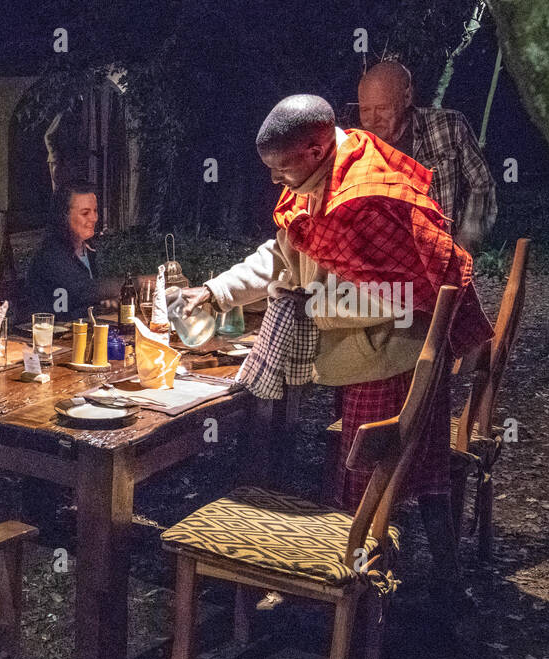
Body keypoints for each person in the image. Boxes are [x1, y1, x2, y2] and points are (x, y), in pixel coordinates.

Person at [179, 94, 492, 616]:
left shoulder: (365, 195)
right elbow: (285, 252)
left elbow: (402, 294)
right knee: (414, 476)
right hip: (369, 353)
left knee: (372, 487)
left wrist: (310, 304)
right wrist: (215, 291)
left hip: (394, 357)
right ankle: (437, 593)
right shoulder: (319, 176)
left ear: (315, 146)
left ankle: (360, 612)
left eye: (282, 170)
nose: (277, 181)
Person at [357, 60, 497, 253]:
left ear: (406, 98)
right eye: (365, 110)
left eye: (382, 108)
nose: (372, 119)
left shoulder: (448, 126)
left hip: (442, 251)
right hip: (387, 260)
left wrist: (466, 240)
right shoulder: (359, 147)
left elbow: (482, 183)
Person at [24, 179, 121, 320]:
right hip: (50, 335)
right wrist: (140, 282)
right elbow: (84, 290)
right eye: (85, 213)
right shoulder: (51, 255)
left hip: (77, 332)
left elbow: (84, 298)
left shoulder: (87, 250)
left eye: (95, 210)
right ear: (64, 215)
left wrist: (103, 304)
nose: (94, 218)